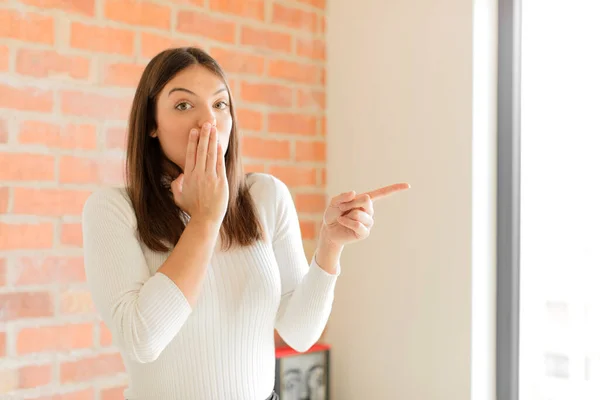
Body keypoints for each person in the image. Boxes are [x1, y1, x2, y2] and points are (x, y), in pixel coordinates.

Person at [82, 46, 409, 400]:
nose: (208, 121)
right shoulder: (113, 209)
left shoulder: (266, 195)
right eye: (183, 105)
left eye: (220, 104)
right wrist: (206, 219)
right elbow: (142, 339)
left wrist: (330, 246)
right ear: (150, 125)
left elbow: (299, 334)